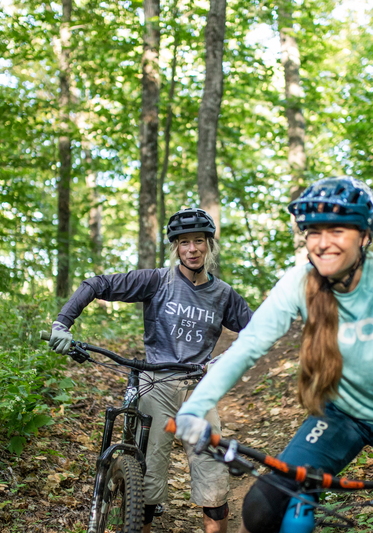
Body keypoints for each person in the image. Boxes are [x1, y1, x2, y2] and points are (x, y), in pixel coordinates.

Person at [173, 177, 373, 533]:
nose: (323, 243)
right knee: (262, 506)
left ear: (365, 236)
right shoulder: (300, 281)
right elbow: (248, 345)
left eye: (337, 230)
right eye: (314, 232)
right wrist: (197, 406)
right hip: (341, 415)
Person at [49, 207, 253, 533]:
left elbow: (257, 332)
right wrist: (62, 324)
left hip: (199, 390)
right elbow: (96, 284)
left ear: (209, 245)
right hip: (154, 386)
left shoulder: (223, 294)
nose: (192, 249)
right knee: (145, 484)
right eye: (184, 242)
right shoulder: (157, 280)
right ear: (176, 247)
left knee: (213, 484)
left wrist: (226, 360)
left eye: (199, 241)